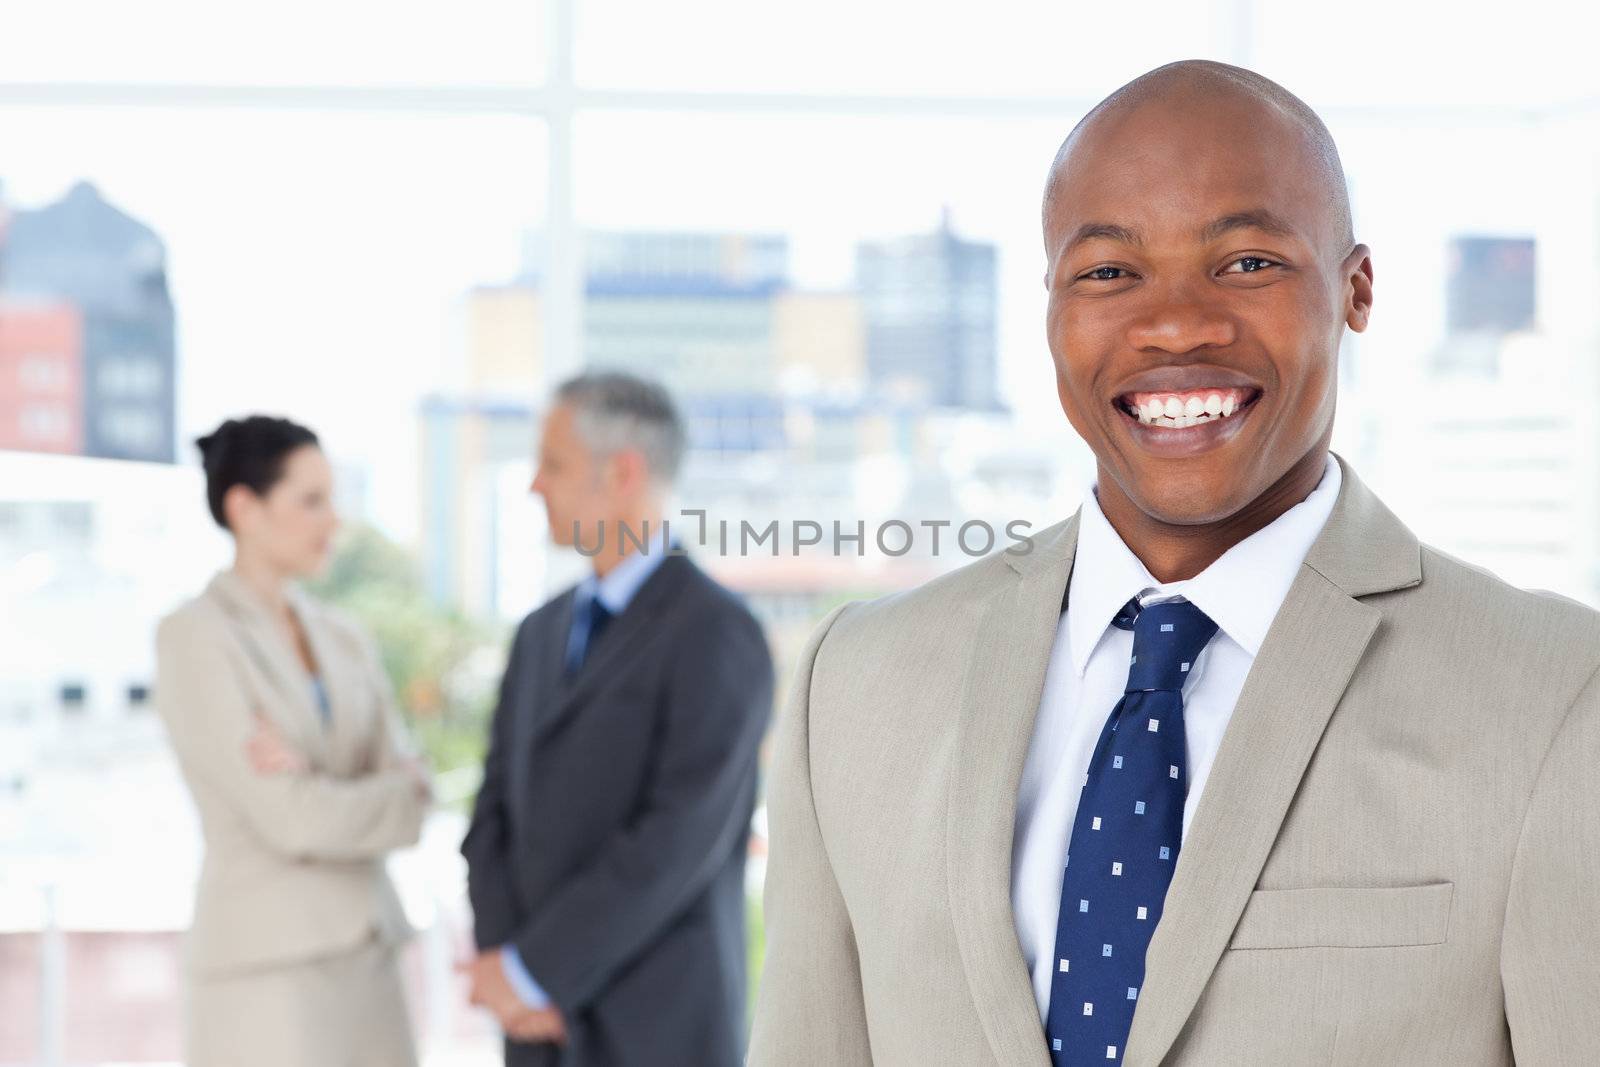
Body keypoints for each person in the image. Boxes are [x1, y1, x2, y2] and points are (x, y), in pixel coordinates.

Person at [749, 60, 1600, 1066]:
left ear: (1355, 289)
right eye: (1108, 272)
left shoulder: (1555, 697)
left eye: (1245, 263)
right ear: (1051, 306)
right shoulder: (854, 685)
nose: (1175, 323)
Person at [460, 371, 774, 1066]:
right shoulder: (537, 633)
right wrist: (506, 968)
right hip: (536, 1031)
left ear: (623, 472)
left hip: (655, 1030)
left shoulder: (718, 632)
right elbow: (490, 818)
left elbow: (675, 840)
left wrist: (528, 970)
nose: (534, 486)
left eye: (554, 464)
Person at [155, 415, 432, 1067]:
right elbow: (289, 817)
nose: (333, 521)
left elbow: (416, 797)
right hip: (266, 970)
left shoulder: (345, 635)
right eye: (311, 501)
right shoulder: (196, 636)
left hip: (371, 960)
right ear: (244, 507)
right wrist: (367, 791)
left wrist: (325, 783)